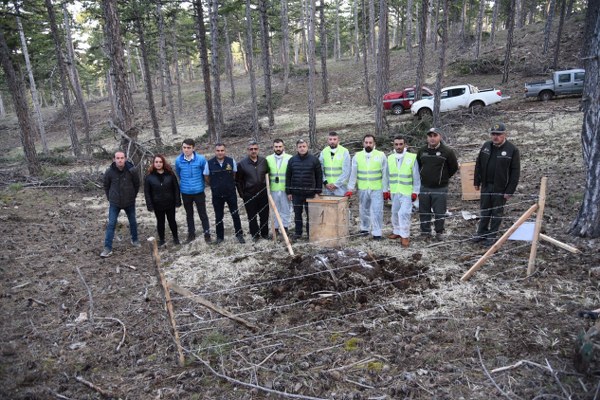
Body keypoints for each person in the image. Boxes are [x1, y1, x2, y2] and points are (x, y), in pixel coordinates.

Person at [472, 122, 521, 245]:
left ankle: (492, 235)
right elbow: (478, 164)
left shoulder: (512, 150)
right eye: (493, 134)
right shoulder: (486, 146)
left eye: (498, 134)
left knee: (496, 212)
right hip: (486, 185)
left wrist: (510, 190)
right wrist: (476, 181)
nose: (495, 137)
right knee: (484, 210)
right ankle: (481, 232)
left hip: (500, 188)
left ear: (505, 134)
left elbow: (515, 172)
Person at [416, 127, 459, 241]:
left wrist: (443, 178)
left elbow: (453, 167)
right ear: (427, 137)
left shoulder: (447, 151)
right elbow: (419, 165)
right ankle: (425, 232)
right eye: (430, 136)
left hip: (440, 188)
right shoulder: (422, 151)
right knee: (424, 211)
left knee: (439, 212)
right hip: (424, 187)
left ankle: (439, 232)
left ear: (440, 137)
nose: (432, 138)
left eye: (435, 136)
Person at [346, 134, 388, 240]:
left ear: (374, 144)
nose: (368, 144)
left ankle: (377, 232)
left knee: (377, 210)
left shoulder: (381, 155)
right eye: (366, 142)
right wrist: (350, 189)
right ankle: (364, 228)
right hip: (363, 187)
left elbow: (385, 174)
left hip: (376, 188)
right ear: (363, 143)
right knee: (364, 209)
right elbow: (353, 174)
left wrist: (385, 189)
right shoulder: (357, 156)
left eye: (370, 142)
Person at [100, 151, 140, 257]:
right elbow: (106, 186)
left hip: (129, 202)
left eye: (122, 158)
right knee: (111, 223)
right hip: (115, 203)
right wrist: (110, 198)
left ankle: (135, 240)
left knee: (133, 221)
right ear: (114, 159)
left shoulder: (132, 170)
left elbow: (137, 184)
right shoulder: (109, 172)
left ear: (125, 159)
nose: (120, 160)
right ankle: (107, 248)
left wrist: (132, 196)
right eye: (118, 158)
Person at [204, 143, 245, 244]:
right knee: (218, 216)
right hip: (217, 194)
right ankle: (220, 237)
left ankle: (239, 235)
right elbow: (206, 177)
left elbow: (234, 174)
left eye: (222, 150)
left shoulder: (231, 161)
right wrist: (214, 186)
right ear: (215, 151)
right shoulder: (209, 163)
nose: (220, 152)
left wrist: (228, 184)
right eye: (218, 151)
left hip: (230, 193)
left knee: (235, 214)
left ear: (225, 151)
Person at [387, 136, 421, 247]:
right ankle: (397, 232)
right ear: (394, 145)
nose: (398, 146)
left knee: (404, 213)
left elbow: (416, 176)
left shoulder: (412, 157)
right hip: (394, 191)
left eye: (401, 144)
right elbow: (387, 176)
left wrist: (415, 191)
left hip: (407, 192)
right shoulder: (390, 158)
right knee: (395, 212)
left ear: (405, 145)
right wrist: (386, 189)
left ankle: (405, 236)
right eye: (396, 144)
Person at [285, 139, 323, 240]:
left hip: (310, 193)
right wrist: (288, 191)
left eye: (304, 146)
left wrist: (318, 192)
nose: (302, 148)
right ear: (297, 148)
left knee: (310, 214)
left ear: (307, 147)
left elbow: (319, 176)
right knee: (297, 214)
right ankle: (298, 233)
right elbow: (288, 176)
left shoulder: (314, 160)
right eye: (300, 147)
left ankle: (310, 233)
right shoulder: (292, 160)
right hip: (296, 193)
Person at [175, 139, 211, 243]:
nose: (186, 150)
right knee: (189, 214)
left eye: (188, 148)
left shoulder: (201, 159)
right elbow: (179, 173)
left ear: (193, 148)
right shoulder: (178, 161)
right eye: (184, 148)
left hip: (199, 191)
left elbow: (205, 173)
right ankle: (191, 235)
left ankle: (207, 234)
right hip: (185, 193)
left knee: (203, 214)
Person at [236, 140, 270, 241]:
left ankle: (265, 233)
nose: (253, 151)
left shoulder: (264, 161)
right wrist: (243, 194)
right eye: (251, 149)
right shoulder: (242, 164)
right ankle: (255, 235)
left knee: (264, 215)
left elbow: (268, 175)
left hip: (263, 194)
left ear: (258, 150)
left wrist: (267, 189)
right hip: (249, 195)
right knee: (252, 216)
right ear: (248, 150)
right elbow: (238, 181)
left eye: (255, 149)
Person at [144, 155, 181, 247]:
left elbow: (176, 188)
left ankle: (176, 238)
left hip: (170, 203)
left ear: (163, 163)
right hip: (157, 204)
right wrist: (150, 205)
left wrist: (177, 201)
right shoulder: (149, 177)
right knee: (160, 222)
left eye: (160, 162)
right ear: (153, 163)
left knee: (172, 221)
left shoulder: (170, 174)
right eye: (156, 162)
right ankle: (162, 239)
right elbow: (147, 192)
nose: (158, 164)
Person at [266, 139, 292, 235]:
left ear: (283, 147)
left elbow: (292, 175)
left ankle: (285, 227)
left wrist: (290, 190)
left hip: (285, 189)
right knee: (275, 209)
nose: (278, 148)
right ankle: (276, 228)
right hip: (273, 189)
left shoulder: (290, 158)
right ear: (273, 147)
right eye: (276, 147)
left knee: (286, 209)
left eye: (280, 146)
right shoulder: (268, 159)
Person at [319, 131, 351, 196]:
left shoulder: (344, 151)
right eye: (330, 139)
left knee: (341, 206)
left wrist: (336, 184)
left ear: (338, 140)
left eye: (334, 139)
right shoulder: (324, 152)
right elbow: (320, 169)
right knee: (328, 206)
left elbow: (346, 171)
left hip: (341, 187)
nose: (332, 141)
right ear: (327, 140)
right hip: (328, 188)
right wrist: (325, 182)